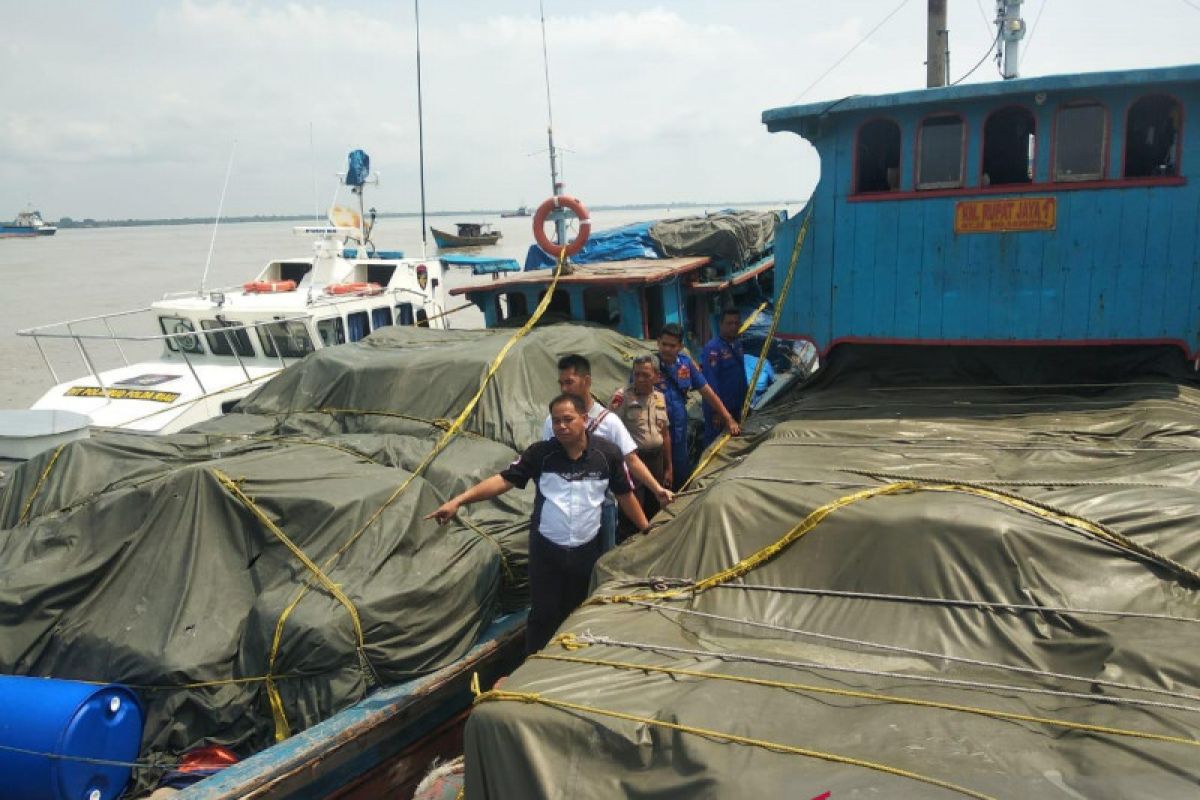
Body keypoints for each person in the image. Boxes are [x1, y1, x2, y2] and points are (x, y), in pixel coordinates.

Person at [426, 394, 650, 655]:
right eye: (556, 421)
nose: (561, 426)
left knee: (580, 613)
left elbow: (625, 495)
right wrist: (459, 501)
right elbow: (503, 480)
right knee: (543, 615)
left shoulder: (607, 455)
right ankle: (533, 667)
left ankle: (573, 663)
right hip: (547, 552)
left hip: (588, 551)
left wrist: (646, 528)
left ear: (584, 420)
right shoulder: (541, 454)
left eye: (568, 419)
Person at [542, 354, 672, 551]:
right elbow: (547, 463)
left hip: (603, 507)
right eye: (561, 383)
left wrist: (657, 489)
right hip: (566, 509)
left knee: (603, 560)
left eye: (569, 382)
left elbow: (631, 459)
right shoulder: (553, 423)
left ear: (586, 382)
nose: (564, 389)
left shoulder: (608, 421)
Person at [653, 323, 740, 485]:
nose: (666, 349)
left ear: (680, 346)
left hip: (679, 429)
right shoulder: (649, 366)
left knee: (681, 473)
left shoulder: (685, 365)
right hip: (655, 431)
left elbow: (708, 392)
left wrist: (728, 419)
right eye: (664, 344)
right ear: (658, 342)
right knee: (658, 476)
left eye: (672, 345)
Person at [610, 355, 671, 538]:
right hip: (634, 461)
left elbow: (665, 434)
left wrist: (669, 467)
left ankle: (653, 541)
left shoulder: (660, 397)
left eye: (645, 375)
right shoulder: (622, 398)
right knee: (633, 506)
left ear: (656, 376)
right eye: (637, 375)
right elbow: (609, 428)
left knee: (656, 503)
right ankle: (629, 544)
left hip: (656, 458)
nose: (640, 379)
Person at [701, 308, 750, 445]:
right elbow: (710, 384)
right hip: (719, 411)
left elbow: (741, 374)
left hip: (736, 406)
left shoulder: (737, 344)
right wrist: (717, 412)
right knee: (714, 444)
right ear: (721, 325)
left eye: (736, 323)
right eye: (729, 323)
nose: (733, 327)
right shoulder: (713, 349)